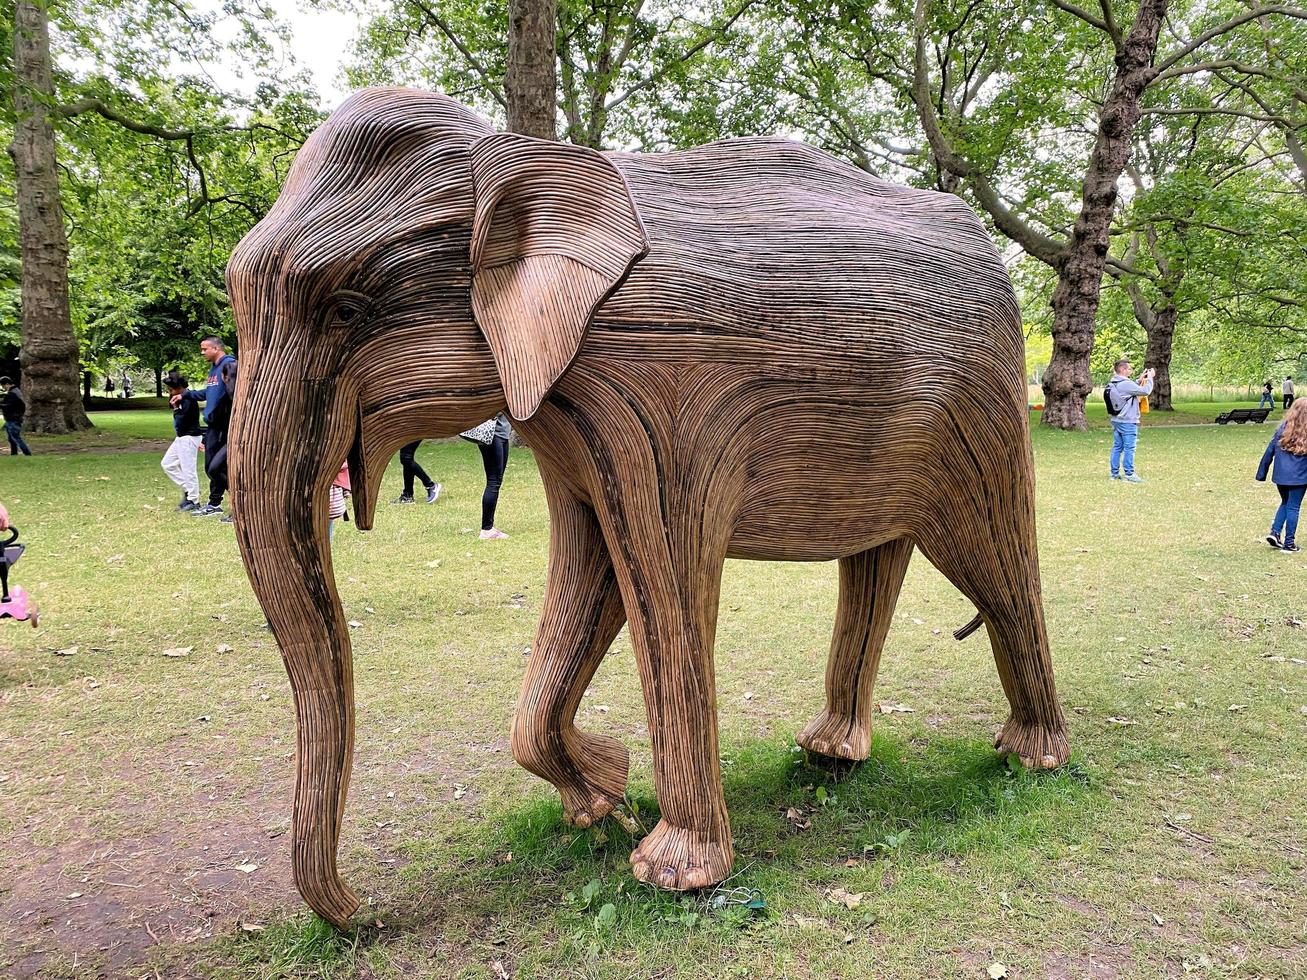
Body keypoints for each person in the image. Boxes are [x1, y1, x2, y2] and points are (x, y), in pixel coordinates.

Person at [175, 337, 237, 517]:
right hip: (212, 427)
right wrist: (184, 395)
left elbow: (235, 395)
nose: (202, 353)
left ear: (216, 348)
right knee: (211, 467)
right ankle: (214, 504)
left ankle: (241, 504)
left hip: (224, 426)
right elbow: (208, 393)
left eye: (205, 349)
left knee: (217, 468)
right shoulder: (214, 370)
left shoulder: (230, 365)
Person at [1257, 399, 1307, 553]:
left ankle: (1275, 532)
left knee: (1285, 502)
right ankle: (1289, 543)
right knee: (1293, 506)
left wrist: (1261, 473)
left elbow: (1269, 452)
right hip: (1299, 478)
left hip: (1281, 477)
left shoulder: (1282, 430)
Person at [161, 371, 205, 511]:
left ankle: (194, 500)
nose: (170, 392)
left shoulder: (188, 400)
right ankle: (188, 489)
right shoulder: (179, 398)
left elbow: (181, 420)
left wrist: (175, 408)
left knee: (188, 469)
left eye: (171, 389)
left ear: (180, 388)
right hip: (180, 437)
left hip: (189, 437)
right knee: (167, 464)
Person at [1105, 359, 1153, 483]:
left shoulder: (1113, 382)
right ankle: (1130, 474)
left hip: (1117, 420)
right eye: (1129, 369)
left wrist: (1140, 379)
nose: (1130, 371)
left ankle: (1114, 473)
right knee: (1129, 448)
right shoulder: (1126, 384)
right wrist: (1149, 378)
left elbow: (1130, 389)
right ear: (1123, 370)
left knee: (1117, 447)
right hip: (1128, 421)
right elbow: (1145, 391)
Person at [477, 413, 511, 540]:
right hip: (492, 435)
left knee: (496, 481)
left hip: (501, 434)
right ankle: (486, 529)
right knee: (493, 482)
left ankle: (488, 527)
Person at [391, 441, 442, 505]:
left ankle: (431, 485)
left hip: (414, 431)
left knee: (406, 458)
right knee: (407, 457)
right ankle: (407, 496)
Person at [0, 378, 32, 457]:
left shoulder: (12, 393)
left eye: (3, 386)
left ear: (7, 384)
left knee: (16, 437)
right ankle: (14, 454)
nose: (3, 388)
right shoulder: (17, 391)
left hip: (13, 418)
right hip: (14, 418)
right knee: (11, 439)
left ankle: (27, 453)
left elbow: (8, 406)